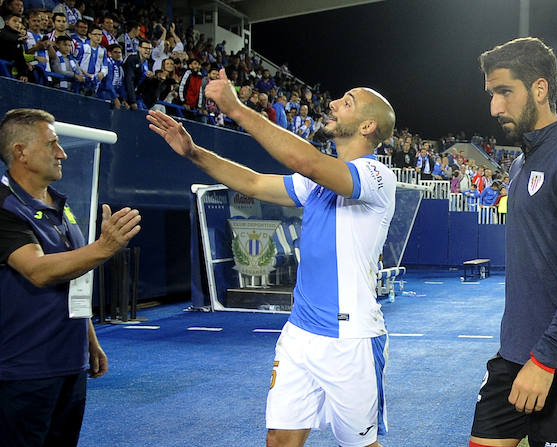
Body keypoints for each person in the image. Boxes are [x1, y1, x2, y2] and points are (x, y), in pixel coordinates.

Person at [147, 68, 396, 447]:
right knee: (279, 439)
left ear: (367, 126)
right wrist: (194, 152)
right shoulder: (317, 181)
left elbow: (309, 162)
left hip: (351, 337)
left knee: (360, 445)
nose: (331, 104)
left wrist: (237, 109)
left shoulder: (376, 175)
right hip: (300, 331)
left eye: (346, 103)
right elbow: (252, 182)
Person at [469, 37, 557, 447]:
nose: (495, 107)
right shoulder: (520, 163)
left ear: (539, 88)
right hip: (512, 355)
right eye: (492, 94)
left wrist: (545, 360)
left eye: (504, 92)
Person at [0, 108, 141, 446]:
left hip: (68, 364)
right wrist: (105, 247)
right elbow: (37, 270)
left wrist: (88, 339)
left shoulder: (60, 206)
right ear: (20, 152)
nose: (61, 153)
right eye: (52, 145)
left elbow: (74, 276)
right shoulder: (4, 206)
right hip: (23, 370)